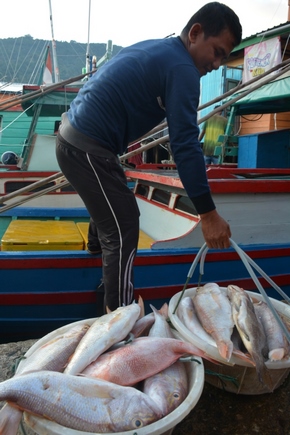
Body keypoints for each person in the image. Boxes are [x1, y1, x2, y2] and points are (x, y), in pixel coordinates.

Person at [55, 2, 242, 311]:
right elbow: (184, 144)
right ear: (195, 33)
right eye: (218, 51)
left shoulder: (160, 49)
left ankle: (98, 262)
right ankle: (118, 318)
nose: (218, 63)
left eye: (224, 56)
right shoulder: (183, 69)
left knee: (112, 203)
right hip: (87, 147)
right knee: (125, 225)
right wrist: (208, 214)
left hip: (76, 138)